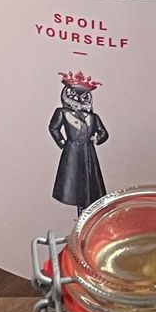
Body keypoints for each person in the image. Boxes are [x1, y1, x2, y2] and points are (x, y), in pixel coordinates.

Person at [49, 71, 109, 210]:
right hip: (72, 152)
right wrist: (63, 143)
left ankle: (85, 211)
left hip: (88, 152)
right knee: (74, 182)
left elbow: (103, 133)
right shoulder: (63, 112)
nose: (79, 99)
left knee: (89, 183)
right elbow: (54, 128)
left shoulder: (93, 117)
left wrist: (96, 139)